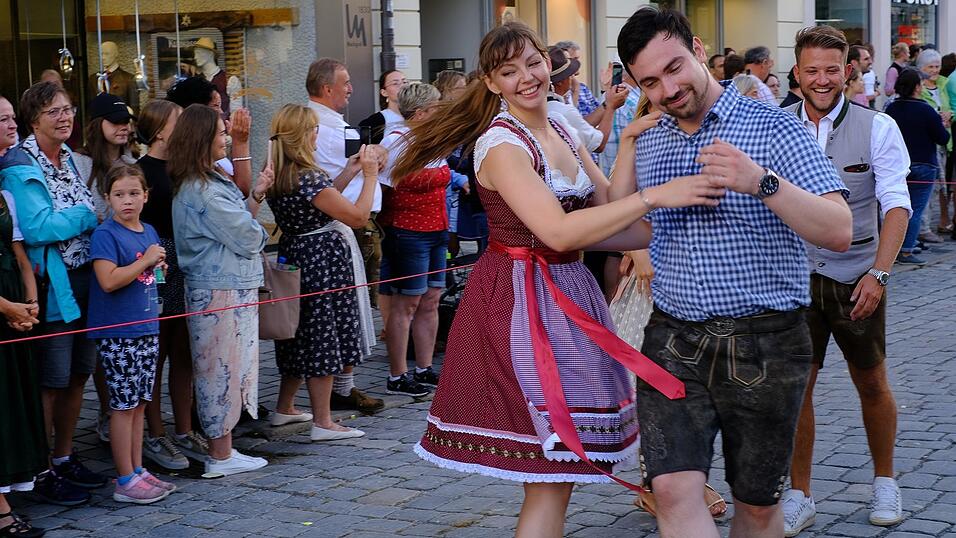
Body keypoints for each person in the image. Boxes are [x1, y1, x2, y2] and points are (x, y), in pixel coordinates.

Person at [399, 21, 719, 537]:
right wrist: (656, 198)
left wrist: (632, 143)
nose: (526, 77)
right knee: (550, 472)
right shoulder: (502, 146)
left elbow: (609, 217)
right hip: (521, 305)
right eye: (509, 71)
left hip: (566, 296)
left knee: (557, 475)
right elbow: (559, 231)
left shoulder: (562, 128)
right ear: (491, 83)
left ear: (549, 62)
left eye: (532, 62)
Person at [614, 7, 852, 537]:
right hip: (673, 338)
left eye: (674, 68)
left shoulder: (774, 127)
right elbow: (637, 232)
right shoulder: (652, 139)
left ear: (698, 50)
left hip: (766, 343)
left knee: (758, 506)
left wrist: (760, 182)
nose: (668, 89)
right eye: (650, 82)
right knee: (672, 489)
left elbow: (838, 228)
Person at [781, 25, 913, 536]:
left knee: (872, 381)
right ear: (797, 72)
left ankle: (885, 480)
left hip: (857, 274)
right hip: (792, 277)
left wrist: (879, 273)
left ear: (848, 71)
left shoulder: (877, 126)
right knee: (798, 389)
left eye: (831, 69)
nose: (821, 79)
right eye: (811, 70)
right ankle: (800, 493)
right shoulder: (776, 125)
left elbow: (896, 206)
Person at [1, 81, 107, 506]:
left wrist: (74, 217)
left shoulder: (71, 159)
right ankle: (40, 468)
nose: (65, 118)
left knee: (79, 372)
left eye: (69, 110)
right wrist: (84, 215)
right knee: (51, 377)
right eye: (54, 112)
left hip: (85, 279)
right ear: (34, 120)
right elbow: (40, 227)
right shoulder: (18, 163)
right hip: (53, 285)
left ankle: (63, 456)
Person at [169, 104, 272, 476]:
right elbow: (248, 236)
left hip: (229, 286)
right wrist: (255, 224)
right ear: (202, 139)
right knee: (221, 370)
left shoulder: (208, 181)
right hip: (219, 291)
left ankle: (224, 450)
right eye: (221, 132)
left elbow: (240, 223)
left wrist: (256, 196)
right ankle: (220, 455)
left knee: (232, 368)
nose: (227, 137)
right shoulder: (204, 190)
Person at [266, 104, 378, 441]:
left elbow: (320, 200)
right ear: (305, 134)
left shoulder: (280, 170)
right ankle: (323, 421)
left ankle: (285, 407)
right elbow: (357, 217)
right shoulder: (307, 174)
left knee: (297, 333)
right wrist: (370, 175)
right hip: (321, 260)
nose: (318, 134)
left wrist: (348, 172)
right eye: (314, 129)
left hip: (295, 252)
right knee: (323, 334)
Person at [88, 165, 175, 504]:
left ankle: (138, 470)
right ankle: (124, 477)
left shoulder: (149, 230)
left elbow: (149, 275)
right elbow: (108, 280)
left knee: (139, 403)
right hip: (118, 332)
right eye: (120, 194)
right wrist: (145, 263)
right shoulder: (105, 235)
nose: (128, 201)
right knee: (123, 406)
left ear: (146, 196)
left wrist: (157, 268)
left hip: (146, 327)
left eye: (134, 193)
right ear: (108, 198)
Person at [306, 57, 387, 415]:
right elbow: (332, 186)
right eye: (346, 82)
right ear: (327, 89)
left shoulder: (329, 123)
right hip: (339, 225)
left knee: (346, 311)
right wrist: (368, 169)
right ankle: (337, 392)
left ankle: (340, 388)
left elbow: (337, 177)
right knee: (343, 313)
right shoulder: (324, 126)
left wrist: (364, 164)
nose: (351, 88)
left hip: (343, 221)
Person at [136, 100, 208, 470]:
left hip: (187, 260)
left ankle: (184, 428)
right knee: (157, 352)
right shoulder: (141, 171)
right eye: (176, 120)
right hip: (157, 263)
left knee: (185, 349)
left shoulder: (184, 167)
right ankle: (155, 431)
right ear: (160, 129)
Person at [378, 83, 451, 397]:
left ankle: (424, 368)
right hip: (407, 230)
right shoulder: (395, 142)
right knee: (406, 303)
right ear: (420, 113)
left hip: (437, 229)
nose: (440, 113)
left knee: (432, 299)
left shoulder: (431, 140)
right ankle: (398, 375)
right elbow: (382, 189)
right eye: (435, 108)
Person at [0, 93, 48, 537]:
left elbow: (17, 247)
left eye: (13, 116)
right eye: (3, 119)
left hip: (13, 301)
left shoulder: (2, 185)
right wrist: (7, 306)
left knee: (12, 400)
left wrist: (30, 301)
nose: (12, 125)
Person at [886, 69, 951, 266]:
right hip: (923, 163)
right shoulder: (925, 110)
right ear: (916, 87)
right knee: (915, 209)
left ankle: (897, 246)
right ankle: (905, 251)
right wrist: (944, 123)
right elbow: (943, 137)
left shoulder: (891, 109)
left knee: (896, 207)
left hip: (897, 164)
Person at [165, 76, 251, 197]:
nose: (221, 112)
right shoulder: (193, 165)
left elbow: (240, 194)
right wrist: (240, 143)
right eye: (216, 106)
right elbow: (239, 194)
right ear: (198, 112)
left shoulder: (212, 155)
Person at [545, 46, 625, 154]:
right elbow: (599, 145)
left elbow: (582, 125)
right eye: (570, 74)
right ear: (560, 81)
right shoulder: (561, 110)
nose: (573, 78)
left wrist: (607, 102)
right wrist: (611, 107)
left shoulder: (543, 105)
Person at [74, 93, 137, 220]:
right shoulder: (78, 162)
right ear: (97, 124)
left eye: (126, 121)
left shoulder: (133, 164)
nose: (124, 127)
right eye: (116, 121)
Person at [916, 49, 952, 244]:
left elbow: (950, 106)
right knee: (929, 188)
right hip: (928, 141)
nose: (935, 70)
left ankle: (939, 222)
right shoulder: (919, 87)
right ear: (922, 67)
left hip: (945, 139)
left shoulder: (943, 84)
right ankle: (923, 227)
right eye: (931, 67)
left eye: (937, 66)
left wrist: (949, 114)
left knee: (941, 186)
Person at [358, 70, 407, 145]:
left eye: (404, 82)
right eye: (395, 83)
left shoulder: (419, 115)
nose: (402, 86)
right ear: (384, 92)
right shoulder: (375, 122)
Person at [555, 40, 600, 117]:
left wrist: (605, 90)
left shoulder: (583, 88)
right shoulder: (557, 92)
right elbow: (570, 120)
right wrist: (575, 91)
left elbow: (598, 112)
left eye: (578, 58)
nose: (578, 63)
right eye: (574, 59)